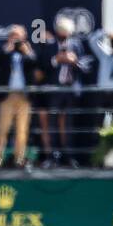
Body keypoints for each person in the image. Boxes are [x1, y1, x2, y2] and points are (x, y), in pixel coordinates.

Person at [0, 24, 37, 168]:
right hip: (7, 95)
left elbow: (36, 64)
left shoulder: (27, 52)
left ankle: (19, 158)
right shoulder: (5, 53)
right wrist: (7, 49)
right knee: (3, 128)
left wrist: (27, 52)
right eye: (13, 36)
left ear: (24, 38)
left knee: (22, 129)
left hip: (24, 96)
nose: (16, 40)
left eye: (19, 37)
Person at [47, 16, 88, 168]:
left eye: (66, 32)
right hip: (55, 90)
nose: (63, 35)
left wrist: (74, 62)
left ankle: (70, 156)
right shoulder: (50, 44)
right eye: (61, 32)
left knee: (69, 124)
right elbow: (43, 65)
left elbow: (85, 66)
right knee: (53, 124)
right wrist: (56, 60)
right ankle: (53, 156)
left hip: (71, 89)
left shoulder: (77, 45)